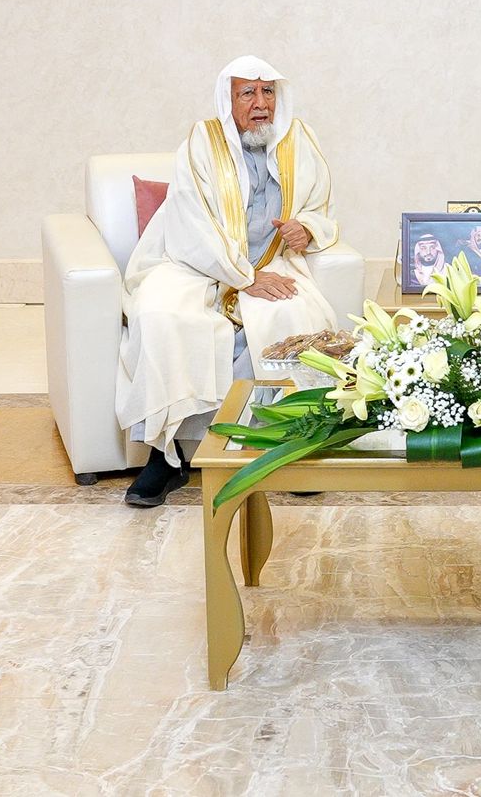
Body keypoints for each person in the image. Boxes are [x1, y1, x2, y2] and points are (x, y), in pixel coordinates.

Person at [115, 55, 340, 507]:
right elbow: (190, 223)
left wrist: (306, 228)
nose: (261, 103)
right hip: (193, 265)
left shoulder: (299, 139)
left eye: (268, 91)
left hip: (273, 263)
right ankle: (165, 456)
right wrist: (242, 276)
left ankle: (288, 443)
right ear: (228, 99)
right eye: (247, 93)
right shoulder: (201, 141)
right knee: (159, 315)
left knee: (294, 318)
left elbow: (320, 207)